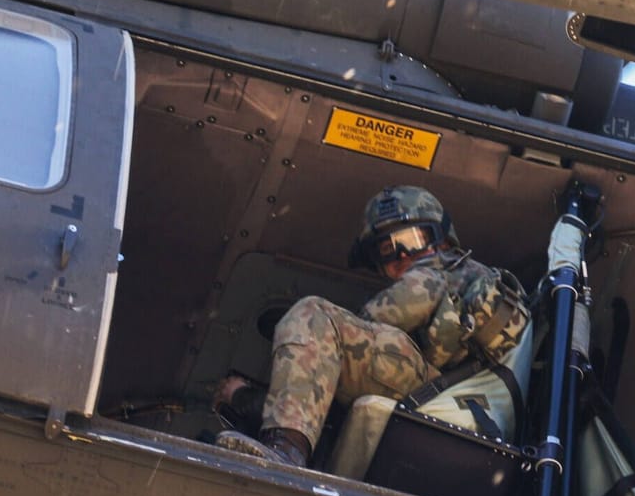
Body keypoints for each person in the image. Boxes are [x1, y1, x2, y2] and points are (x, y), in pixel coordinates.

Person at [215, 186, 529, 466]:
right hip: (448, 396)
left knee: (312, 315)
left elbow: (387, 315)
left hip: (439, 390)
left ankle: (285, 452)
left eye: (413, 240)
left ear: (442, 239)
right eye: (388, 249)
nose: (403, 254)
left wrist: (319, 334)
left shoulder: (444, 270)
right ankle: (277, 427)